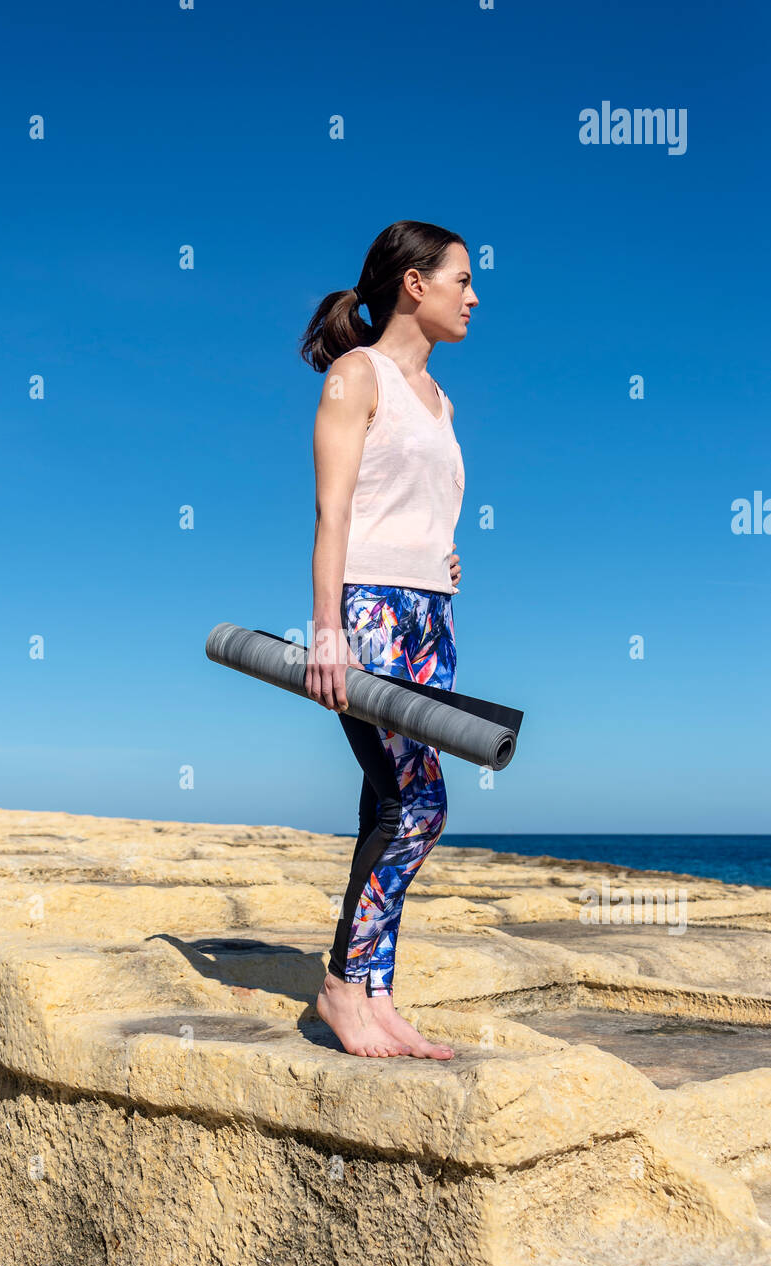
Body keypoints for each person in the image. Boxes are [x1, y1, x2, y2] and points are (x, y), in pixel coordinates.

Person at [299, 220, 478, 1060]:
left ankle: (375, 992)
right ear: (414, 284)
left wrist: (440, 552)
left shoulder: (442, 403)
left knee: (388, 799)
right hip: (367, 614)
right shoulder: (355, 375)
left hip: (431, 617)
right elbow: (333, 512)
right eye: (460, 280)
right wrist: (327, 631)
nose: (472, 297)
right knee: (422, 803)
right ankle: (341, 985)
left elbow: (411, 505)